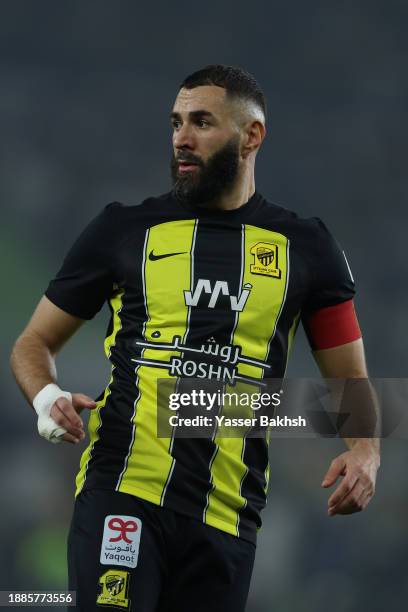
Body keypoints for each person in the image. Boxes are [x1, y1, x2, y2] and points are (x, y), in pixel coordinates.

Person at [10, 64, 380, 611]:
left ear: (252, 135)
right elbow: (32, 344)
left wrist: (366, 453)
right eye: (177, 122)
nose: (182, 137)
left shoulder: (306, 248)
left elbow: (350, 382)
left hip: (229, 515)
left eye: (202, 122)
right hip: (124, 488)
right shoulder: (123, 230)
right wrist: (46, 400)